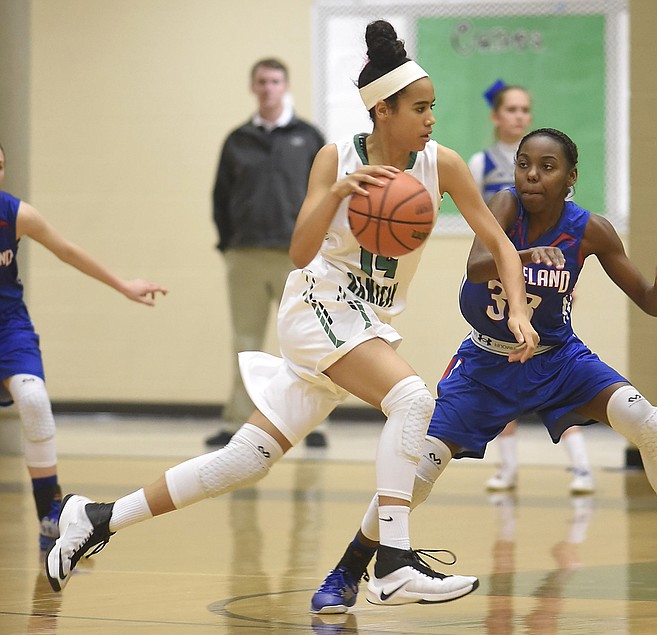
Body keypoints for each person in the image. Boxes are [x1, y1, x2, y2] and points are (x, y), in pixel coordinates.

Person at [44, 21, 553, 607]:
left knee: (244, 460)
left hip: (365, 321)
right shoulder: (334, 158)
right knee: (412, 398)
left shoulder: (444, 165)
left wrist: (518, 308)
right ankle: (391, 564)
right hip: (319, 305)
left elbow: (502, 245)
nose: (431, 118)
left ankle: (97, 517)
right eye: (419, 108)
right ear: (383, 111)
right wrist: (339, 194)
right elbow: (299, 251)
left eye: (432, 106)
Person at [310, 127, 657, 614]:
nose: (532, 175)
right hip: (485, 363)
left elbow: (650, 303)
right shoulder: (505, 206)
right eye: (525, 163)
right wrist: (518, 256)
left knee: (646, 420)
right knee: (415, 474)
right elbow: (479, 265)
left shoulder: (591, 230)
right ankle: (347, 573)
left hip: (559, 359)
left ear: (571, 177)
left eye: (547, 167)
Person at [0, 142, 167, 553]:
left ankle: (50, 514)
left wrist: (123, 285)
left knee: (34, 401)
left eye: (0, 165)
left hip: (8, 327)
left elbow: (67, 251)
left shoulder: (14, 213)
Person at [467, 82, 593, 495]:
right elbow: (481, 238)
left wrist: (564, 280)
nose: (519, 116)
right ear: (495, 116)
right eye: (511, 109)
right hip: (501, 282)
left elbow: (566, 230)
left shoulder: (544, 159)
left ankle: (580, 466)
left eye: (525, 109)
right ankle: (507, 467)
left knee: (553, 371)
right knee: (505, 372)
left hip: (543, 273)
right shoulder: (482, 165)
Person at [206, 57, 328, 449]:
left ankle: (314, 424)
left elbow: (327, 194)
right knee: (245, 339)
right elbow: (220, 198)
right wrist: (229, 244)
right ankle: (237, 421)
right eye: (261, 81)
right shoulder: (237, 139)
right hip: (245, 254)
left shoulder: (308, 136)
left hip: (299, 256)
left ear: (285, 86)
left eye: (275, 81)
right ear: (253, 87)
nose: (268, 87)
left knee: (308, 341)